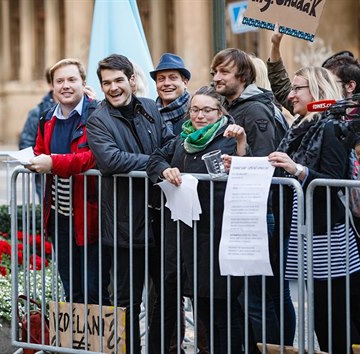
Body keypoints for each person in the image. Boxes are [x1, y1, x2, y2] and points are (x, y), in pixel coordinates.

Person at [268, 66, 360, 354]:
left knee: (332, 316)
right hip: (305, 228)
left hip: (327, 232)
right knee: (320, 314)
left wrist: (297, 169)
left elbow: (334, 177)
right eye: (293, 88)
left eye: (299, 88)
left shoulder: (331, 127)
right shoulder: (300, 125)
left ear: (318, 92)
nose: (291, 94)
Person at [148, 86, 248, 354]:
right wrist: (164, 169)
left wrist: (241, 148)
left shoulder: (229, 137)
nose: (200, 116)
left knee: (221, 309)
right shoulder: (183, 139)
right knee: (200, 306)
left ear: (219, 112)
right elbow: (156, 158)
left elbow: (247, 171)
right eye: (195, 110)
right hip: (183, 235)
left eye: (207, 110)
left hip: (215, 234)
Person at [86, 54, 175, 354]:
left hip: (160, 220)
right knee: (126, 301)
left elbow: (170, 144)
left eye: (118, 81)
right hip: (125, 226)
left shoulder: (151, 108)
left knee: (165, 297)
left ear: (132, 80)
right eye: (106, 83)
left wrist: (159, 162)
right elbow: (110, 161)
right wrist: (156, 164)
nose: (113, 88)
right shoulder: (97, 120)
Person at [211, 48, 292, 350]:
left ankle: (275, 346)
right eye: (215, 72)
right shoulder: (239, 105)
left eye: (224, 72)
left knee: (262, 296)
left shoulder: (254, 110)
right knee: (268, 292)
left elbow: (265, 162)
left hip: (262, 212)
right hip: (256, 211)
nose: (217, 77)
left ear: (242, 76)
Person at [25, 58, 109, 305]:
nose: (66, 86)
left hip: (91, 217)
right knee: (71, 289)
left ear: (83, 82)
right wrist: (31, 161)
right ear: (52, 86)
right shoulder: (46, 118)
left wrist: (53, 163)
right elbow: (41, 150)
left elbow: (95, 157)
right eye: (59, 81)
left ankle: (99, 345)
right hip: (59, 218)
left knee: (94, 290)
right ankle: (76, 343)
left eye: (72, 79)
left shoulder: (99, 114)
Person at [19, 69, 56, 200]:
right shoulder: (38, 111)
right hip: (45, 176)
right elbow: (26, 141)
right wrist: (35, 163)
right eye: (59, 81)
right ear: (51, 85)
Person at [150, 53, 191, 136]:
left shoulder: (196, 113)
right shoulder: (148, 116)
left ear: (185, 83)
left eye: (173, 78)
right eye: (161, 79)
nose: (166, 83)